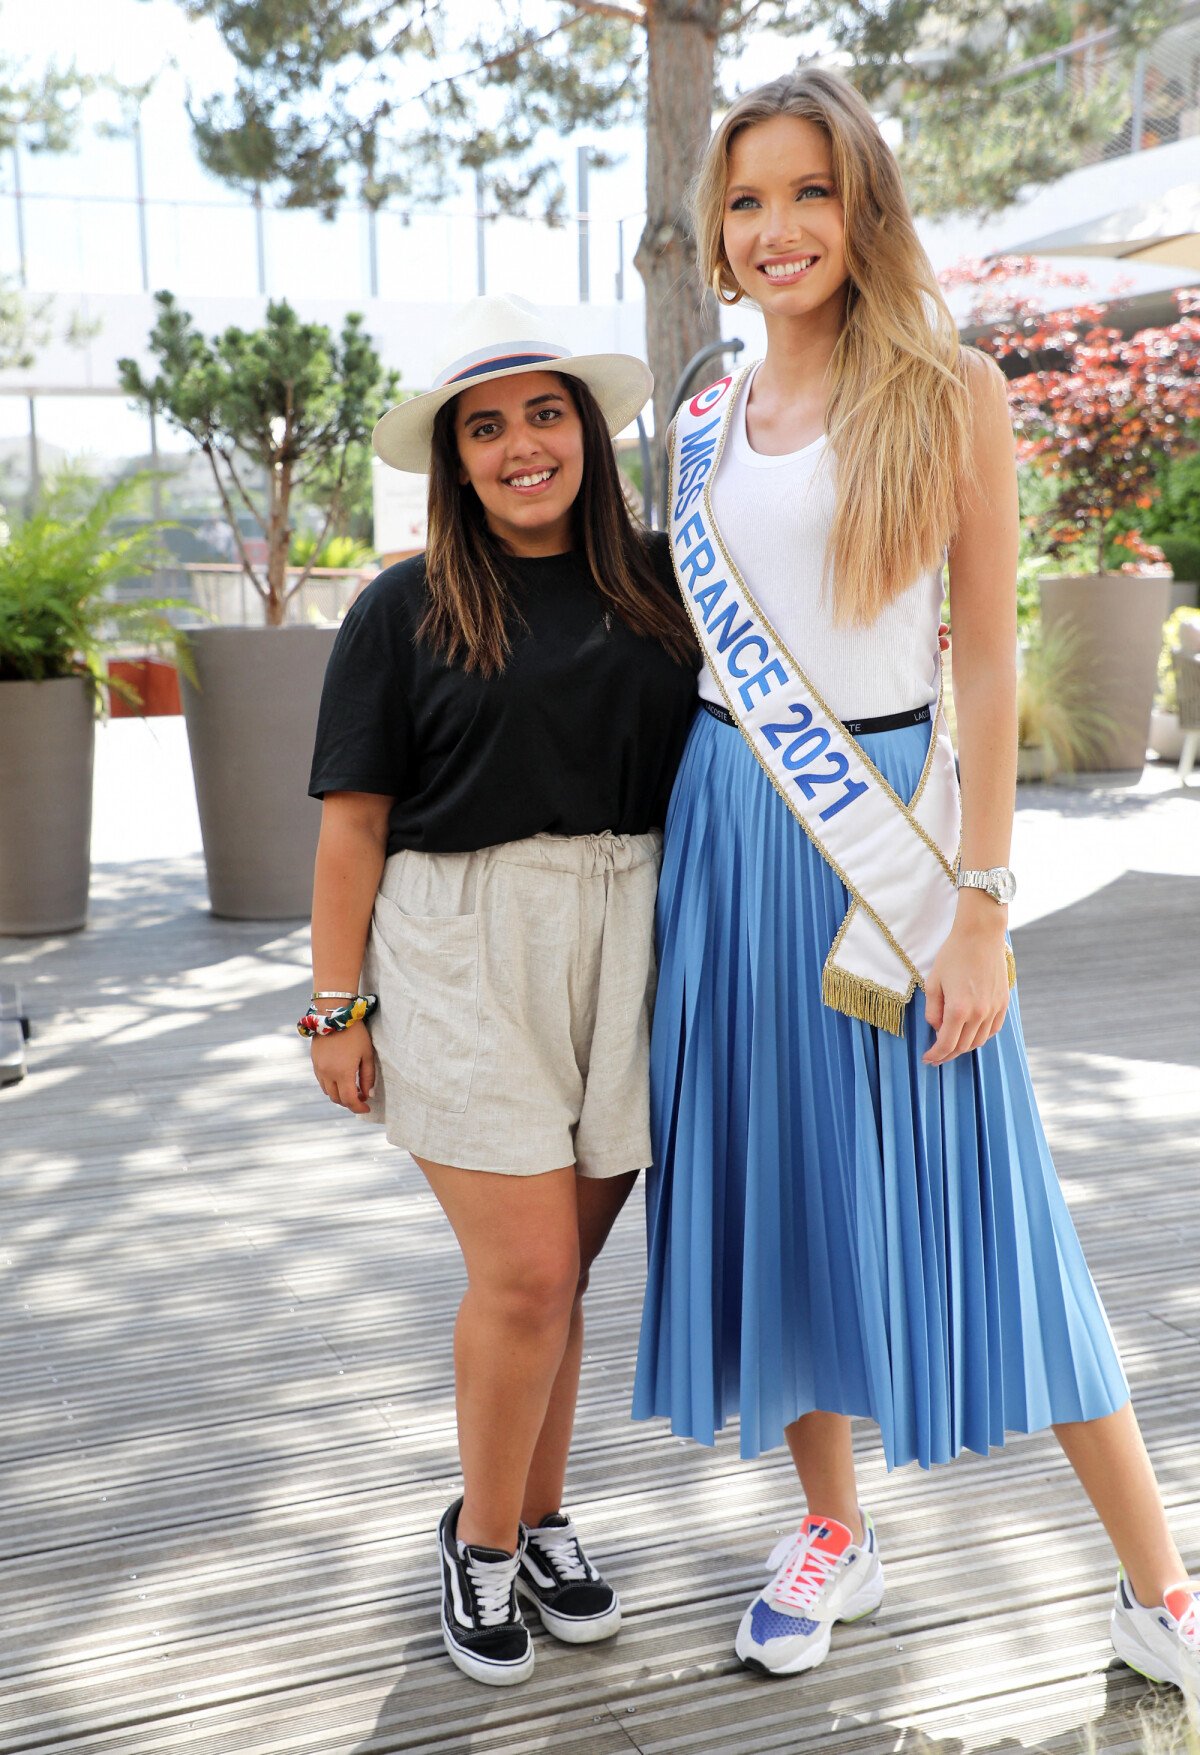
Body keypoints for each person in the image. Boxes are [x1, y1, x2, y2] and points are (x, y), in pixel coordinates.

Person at [632, 68, 1200, 1706]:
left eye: (811, 192)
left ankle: (1159, 1581)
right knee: (781, 1187)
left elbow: (995, 655)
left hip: (883, 840)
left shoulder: (949, 390)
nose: (778, 226)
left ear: (864, 208)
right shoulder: (700, 416)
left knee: (999, 1206)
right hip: (729, 838)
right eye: (747, 201)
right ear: (719, 237)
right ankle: (834, 1533)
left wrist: (984, 904)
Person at [304, 293, 699, 1687]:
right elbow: (352, 824)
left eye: (544, 415)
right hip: (461, 937)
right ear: (455, 461)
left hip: (629, 934)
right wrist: (335, 1008)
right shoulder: (404, 606)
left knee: (562, 1279)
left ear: (586, 431)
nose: (521, 445)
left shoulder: (663, 581)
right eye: (487, 427)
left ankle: (540, 1517)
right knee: (525, 1271)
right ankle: (478, 1546)